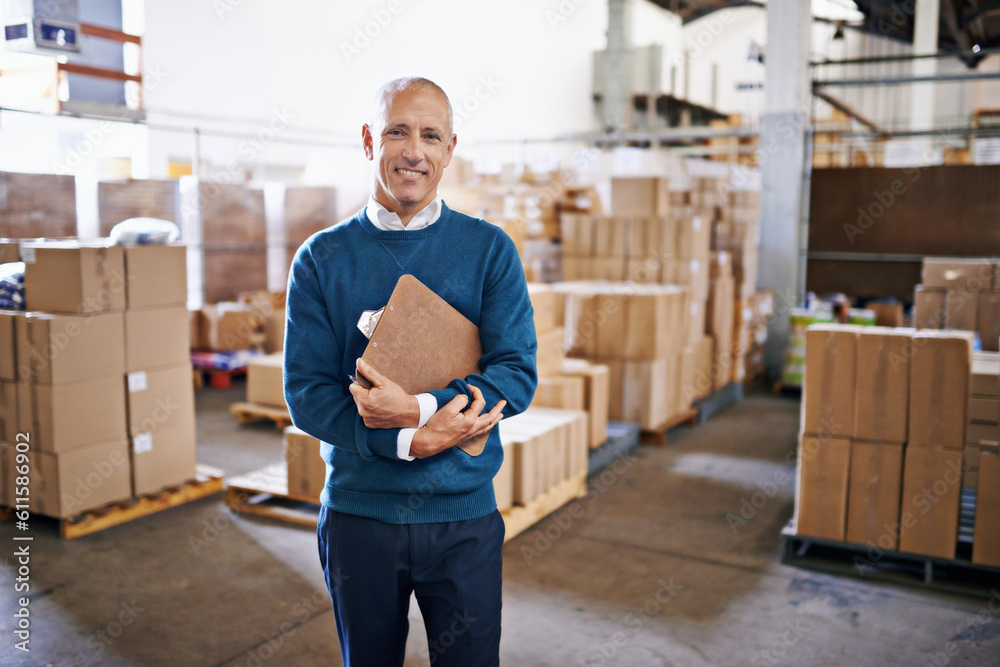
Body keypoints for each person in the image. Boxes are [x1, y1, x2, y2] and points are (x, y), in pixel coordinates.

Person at [283, 76, 538, 667]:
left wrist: (420, 413)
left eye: (431, 135)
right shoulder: (322, 258)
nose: (414, 151)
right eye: (398, 131)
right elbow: (308, 394)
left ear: (450, 149)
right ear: (370, 140)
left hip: (462, 516)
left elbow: (516, 373)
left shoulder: (489, 250)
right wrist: (406, 441)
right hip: (359, 517)